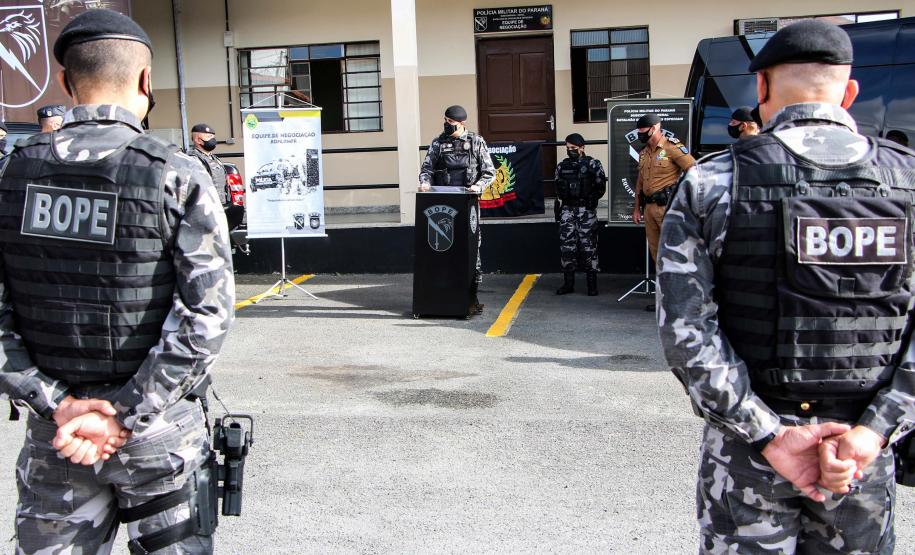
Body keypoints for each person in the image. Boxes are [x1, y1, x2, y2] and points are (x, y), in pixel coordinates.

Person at [657, 19, 915, 553]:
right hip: (860, 458)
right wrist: (872, 432)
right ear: (848, 92)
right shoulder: (908, 182)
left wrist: (769, 436)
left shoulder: (713, 183)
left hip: (749, 458)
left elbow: (687, 332)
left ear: (763, 88)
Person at [0, 9, 234, 554]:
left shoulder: (12, 175)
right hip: (158, 434)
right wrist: (125, 412)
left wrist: (55, 403)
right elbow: (206, 316)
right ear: (148, 81)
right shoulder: (177, 172)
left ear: (64, 82)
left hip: (57, 438)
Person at [419, 105, 495, 315]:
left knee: (472, 249)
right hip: (442, 203)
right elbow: (426, 169)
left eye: (450, 122)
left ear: (461, 123)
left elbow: (490, 173)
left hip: (468, 202)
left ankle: (472, 297)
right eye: (445, 120)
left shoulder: (476, 141)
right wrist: (425, 183)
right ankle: (443, 298)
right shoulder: (438, 142)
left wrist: (477, 187)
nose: (446, 124)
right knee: (444, 249)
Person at [631, 112, 695, 263]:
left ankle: (679, 285)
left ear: (653, 129)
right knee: (656, 252)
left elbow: (694, 170)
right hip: (649, 209)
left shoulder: (672, 147)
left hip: (667, 207)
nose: (640, 135)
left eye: (642, 131)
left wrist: (685, 199)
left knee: (674, 250)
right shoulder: (644, 153)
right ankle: (663, 285)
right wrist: (636, 208)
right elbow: (640, 181)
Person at [554, 132, 606, 296]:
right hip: (567, 210)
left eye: (574, 148)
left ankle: (592, 285)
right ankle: (568, 284)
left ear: (582, 148)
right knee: (567, 246)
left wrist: (592, 199)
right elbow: (557, 186)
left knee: (589, 246)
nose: (570, 151)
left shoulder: (593, 164)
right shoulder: (562, 166)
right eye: (568, 148)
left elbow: (600, 186)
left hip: (586, 211)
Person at [186, 122, 245, 233]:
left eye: (213, 136)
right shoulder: (193, 160)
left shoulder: (214, 159)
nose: (213, 139)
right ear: (198, 140)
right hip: (204, 210)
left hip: (220, 207)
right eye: (209, 137)